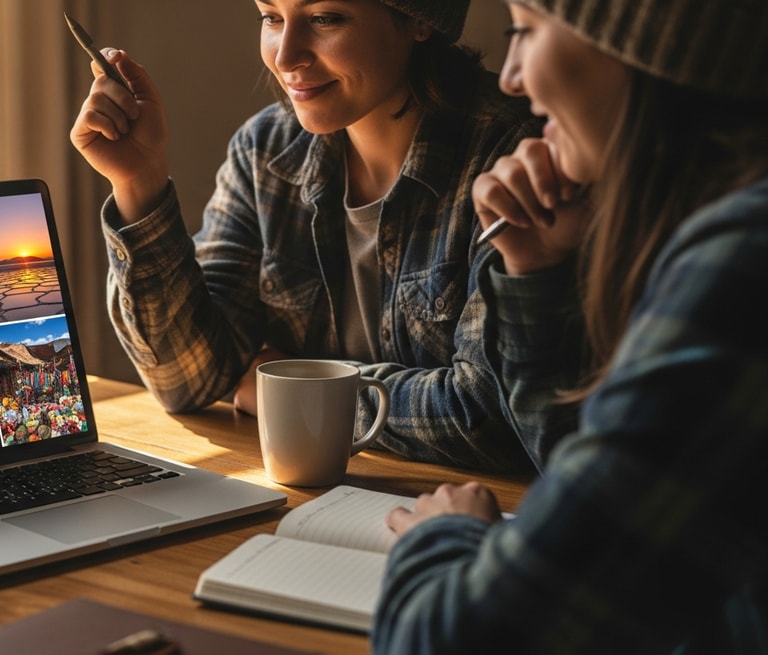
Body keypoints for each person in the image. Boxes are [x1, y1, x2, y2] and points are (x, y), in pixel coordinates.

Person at [374, 1, 768, 652]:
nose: (510, 76)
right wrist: (534, 272)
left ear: (643, 44)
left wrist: (439, 539)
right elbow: (611, 520)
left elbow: (450, 641)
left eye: (525, 31)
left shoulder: (743, 268)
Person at [70, 1, 550, 472]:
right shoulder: (267, 151)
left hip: (470, 514)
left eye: (325, 18)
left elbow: (489, 417)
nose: (285, 57)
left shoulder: (513, 157)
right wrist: (140, 184)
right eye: (271, 17)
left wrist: (289, 384)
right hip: (320, 499)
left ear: (419, 20)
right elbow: (189, 378)